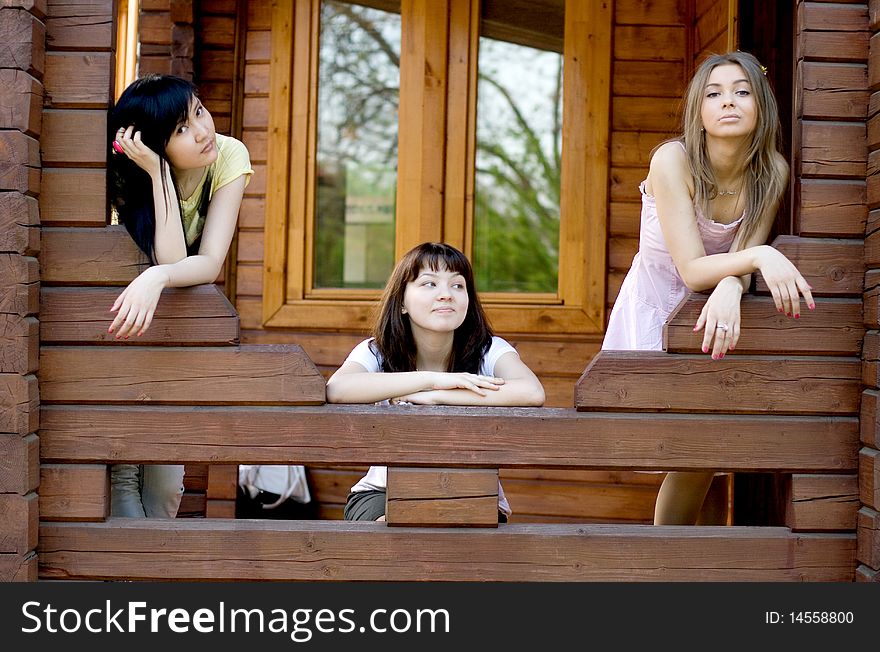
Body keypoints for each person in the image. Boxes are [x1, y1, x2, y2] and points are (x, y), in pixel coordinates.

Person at [600, 51, 815, 525]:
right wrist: (757, 260)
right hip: (657, 307)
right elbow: (696, 267)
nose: (728, 102)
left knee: (705, 452)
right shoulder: (672, 159)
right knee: (684, 447)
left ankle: (693, 568)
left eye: (742, 91)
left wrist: (732, 288)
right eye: (714, 94)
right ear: (699, 109)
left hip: (716, 315)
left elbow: (738, 254)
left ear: (761, 106)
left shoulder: (771, 171)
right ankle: (667, 568)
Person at [107, 74, 253, 518]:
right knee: (123, 481)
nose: (203, 130)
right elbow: (169, 256)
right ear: (152, 142)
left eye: (199, 111)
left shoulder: (228, 155)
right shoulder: (119, 179)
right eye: (182, 129)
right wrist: (154, 170)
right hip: (117, 333)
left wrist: (157, 278)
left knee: (167, 485)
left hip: (169, 330)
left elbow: (206, 263)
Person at [326, 242, 545, 522]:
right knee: (390, 532)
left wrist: (437, 395)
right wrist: (433, 379)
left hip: (471, 492)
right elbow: (337, 388)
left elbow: (531, 391)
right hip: (383, 491)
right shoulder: (376, 350)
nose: (446, 295)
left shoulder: (489, 350)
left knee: (464, 545)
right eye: (429, 284)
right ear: (402, 301)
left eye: (457, 285)